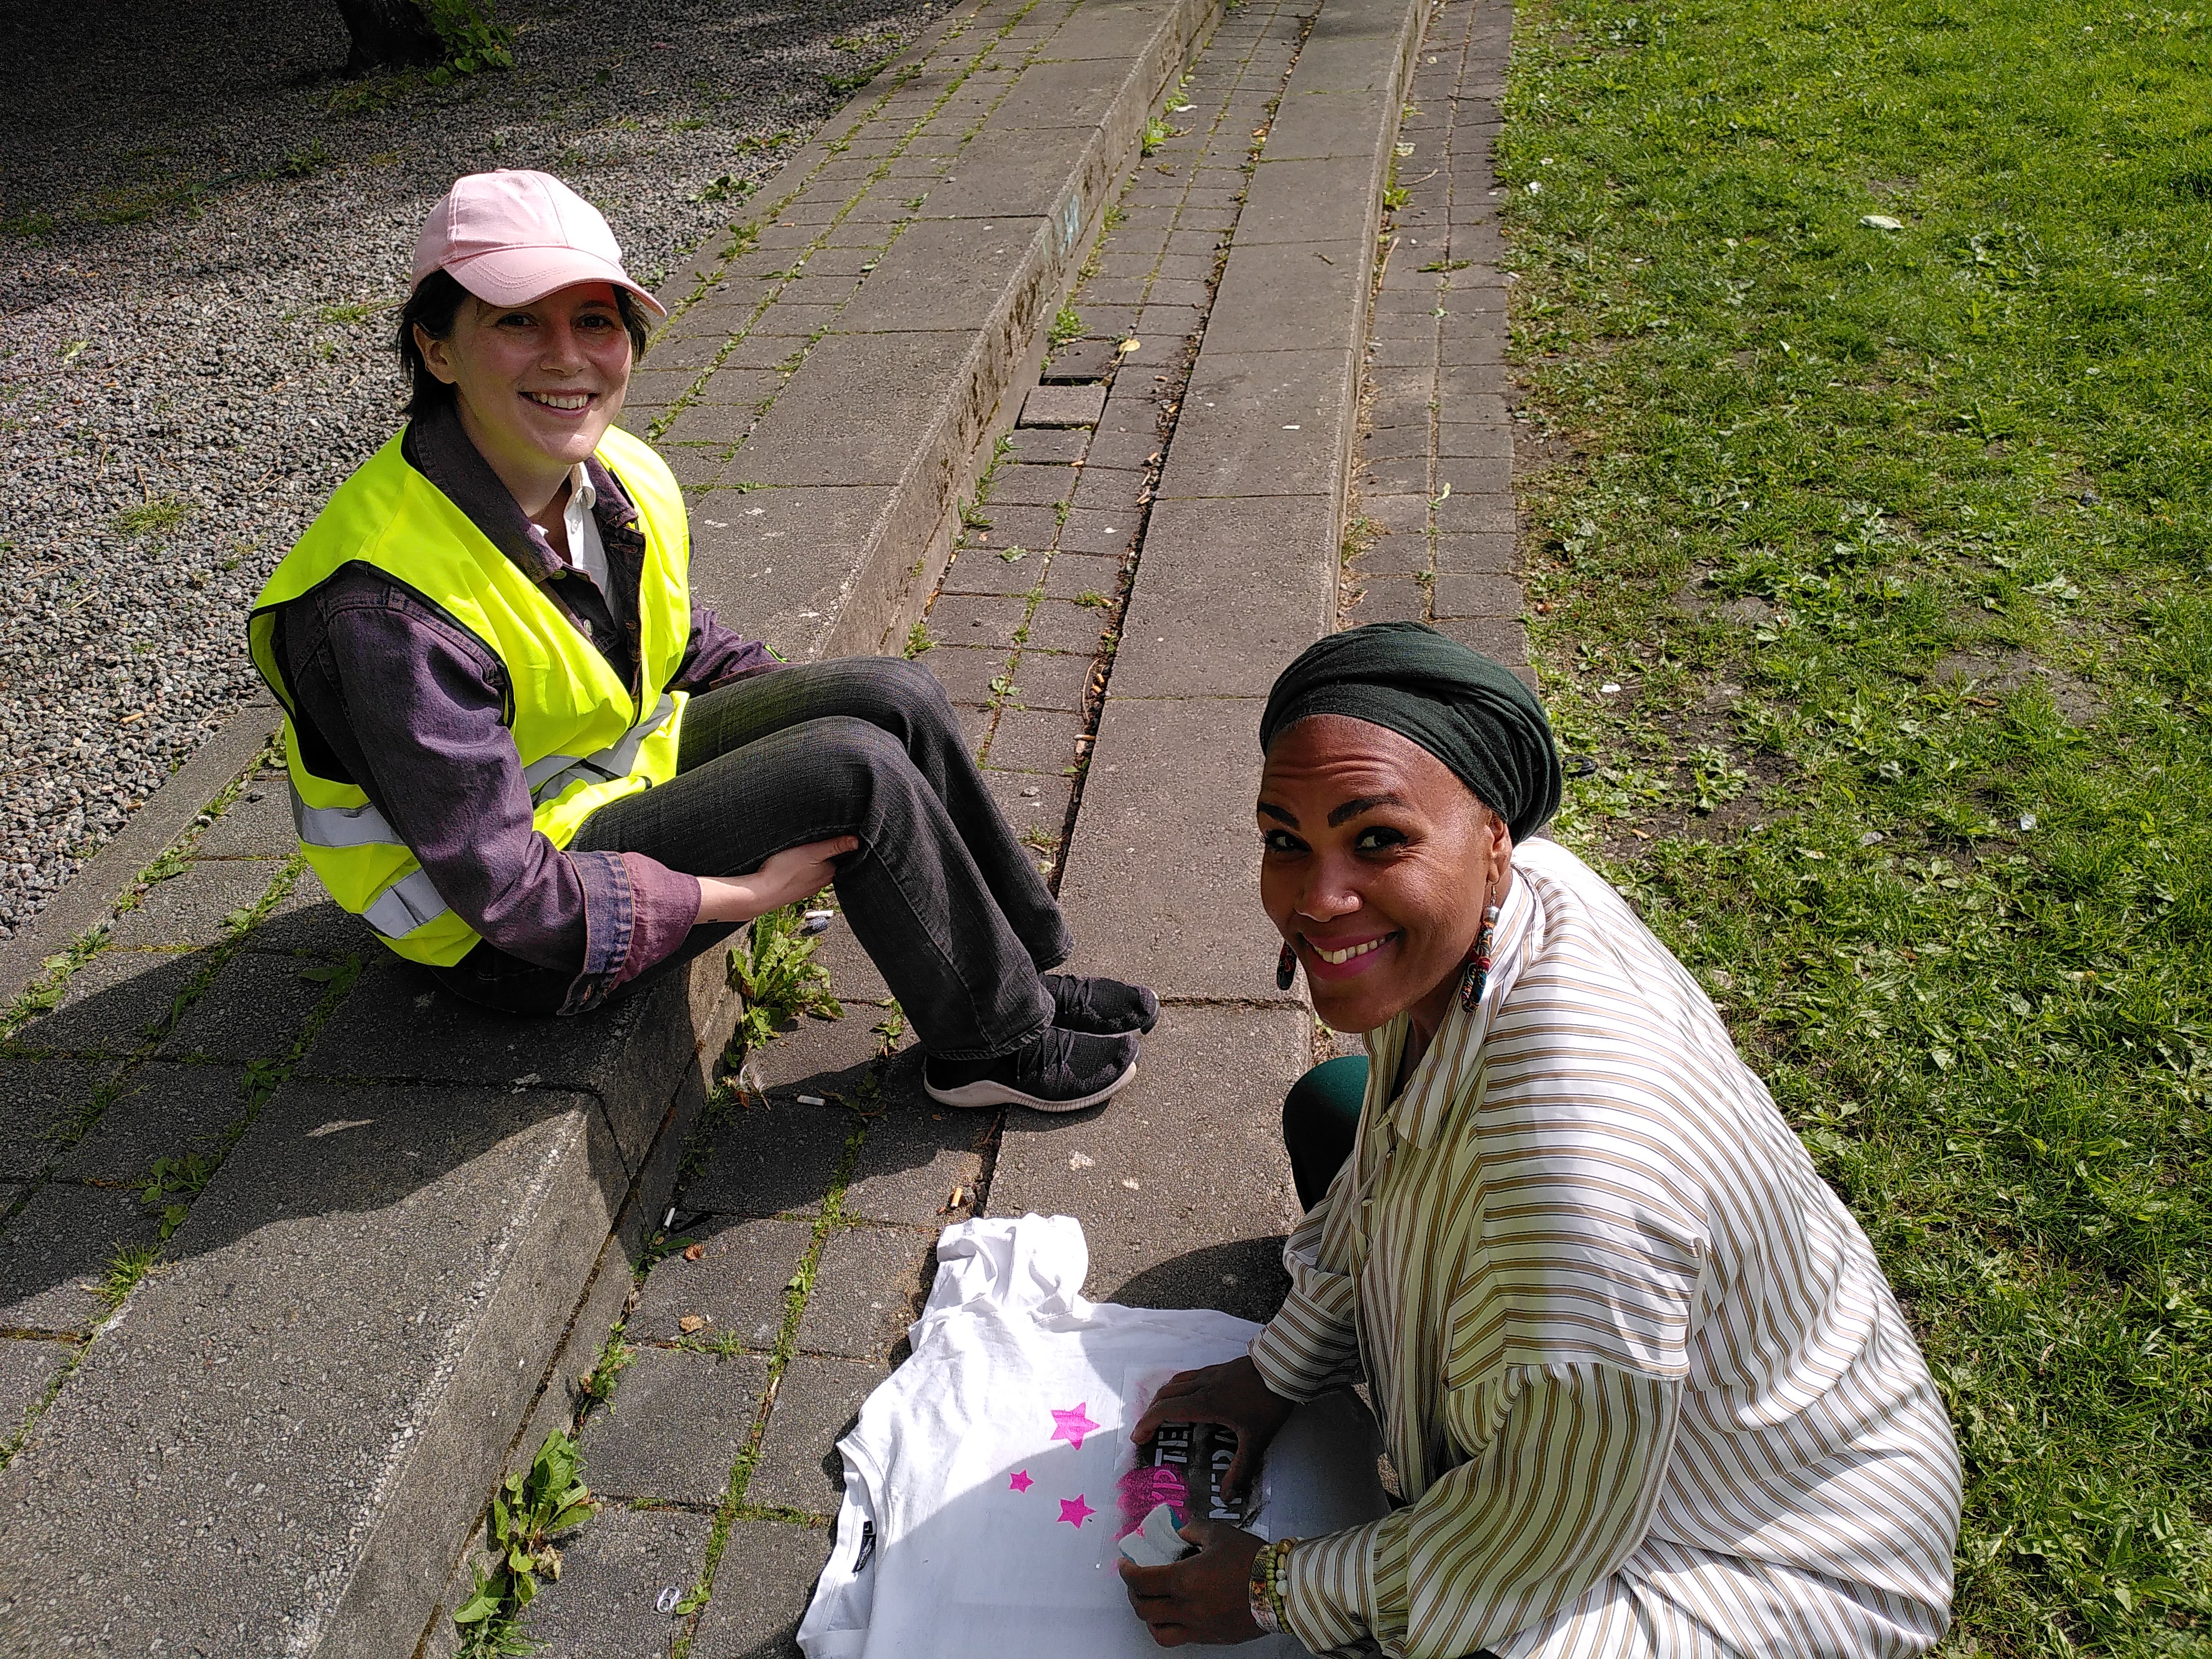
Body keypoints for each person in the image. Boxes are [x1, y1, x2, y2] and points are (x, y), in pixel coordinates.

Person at [1119, 623, 1961, 1656]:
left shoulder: (1578, 1186)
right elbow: (1387, 1166)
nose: (1316, 900)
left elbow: (1542, 1535)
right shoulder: (1517, 905)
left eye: (1377, 839)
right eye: (1285, 838)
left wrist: (1273, 1587)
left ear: (1493, 836)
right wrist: (1277, 1372)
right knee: (1338, 1111)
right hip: (1620, 1429)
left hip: (1766, 1556)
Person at [245, 169, 1154, 1113]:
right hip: (504, 939)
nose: (569, 359)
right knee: (852, 767)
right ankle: (990, 1048)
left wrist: (795, 736)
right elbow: (513, 898)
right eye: (518, 322)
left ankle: (1026, 976)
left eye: (595, 322)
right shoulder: (384, 607)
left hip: (606, 799)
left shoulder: (613, 474)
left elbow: (670, 643)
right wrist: (744, 894)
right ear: (437, 350)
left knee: (890, 698)